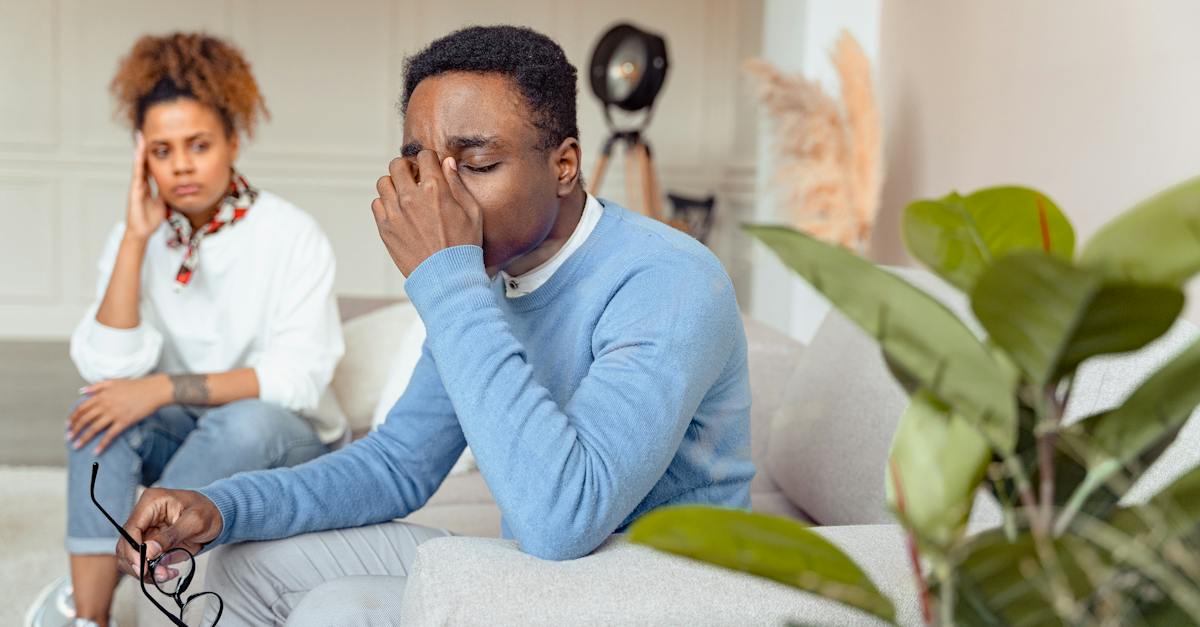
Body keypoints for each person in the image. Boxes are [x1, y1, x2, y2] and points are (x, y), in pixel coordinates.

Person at [117, 25, 754, 626]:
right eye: (421, 166)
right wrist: (223, 506)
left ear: (564, 166)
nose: (440, 199)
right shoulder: (489, 276)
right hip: (540, 572)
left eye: (476, 166)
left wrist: (448, 282)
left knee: (338, 610)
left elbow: (563, 518)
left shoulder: (669, 280)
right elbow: (400, 464)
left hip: (646, 589)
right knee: (229, 570)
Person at [26, 32, 346, 627]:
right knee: (97, 413)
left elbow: (298, 378)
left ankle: (143, 567)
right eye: (162, 150)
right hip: (190, 436)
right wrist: (134, 238)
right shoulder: (142, 239)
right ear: (141, 156)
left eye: (198, 145)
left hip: (286, 439)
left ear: (233, 140)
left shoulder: (290, 233)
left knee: (241, 420)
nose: (181, 166)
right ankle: (89, 617)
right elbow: (107, 369)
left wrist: (164, 388)